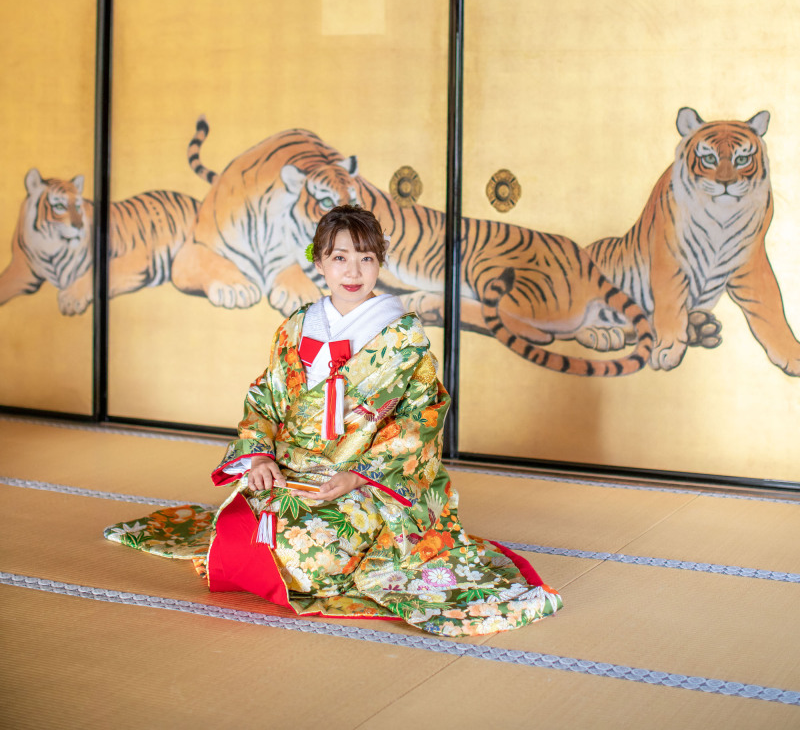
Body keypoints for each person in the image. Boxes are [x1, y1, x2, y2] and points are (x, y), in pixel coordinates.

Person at [105, 205, 562, 636]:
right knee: (240, 533)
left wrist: (358, 476)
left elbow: (420, 416)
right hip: (291, 474)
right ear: (319, 262)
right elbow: (266, 396)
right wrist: (260, 458)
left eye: (366, 258)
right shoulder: (295, 327)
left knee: (314, 552)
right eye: (340, 257)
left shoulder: (402, 336)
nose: (353, 271)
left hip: (364, 483)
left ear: (379, 263)